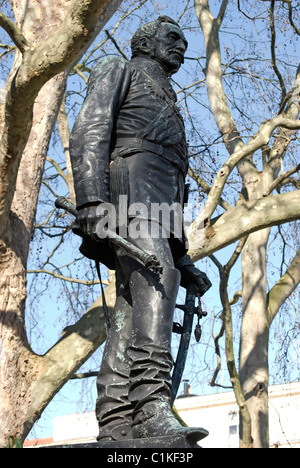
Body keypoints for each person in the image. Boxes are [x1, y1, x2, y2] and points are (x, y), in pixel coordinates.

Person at [70, 16, 211, 443]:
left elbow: (172, 181)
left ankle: (115, 418)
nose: (182, 48)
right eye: (173, 38)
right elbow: (89, 131)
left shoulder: (168, 99)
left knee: (132, 307)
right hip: (127, 197)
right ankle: (151, 406)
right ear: (145, 42)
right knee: (155, 279)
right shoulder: (120, 68)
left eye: (186, 42)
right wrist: (91, 200)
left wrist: (182, 255)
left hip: (160, 208)